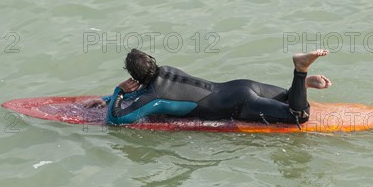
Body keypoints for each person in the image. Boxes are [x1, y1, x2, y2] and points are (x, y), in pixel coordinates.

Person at [84, 48, 331, 127]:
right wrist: (106, 98)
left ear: (134, 77)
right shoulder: (166, 71)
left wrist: (117, 94)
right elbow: (144, 90)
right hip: (240, 86)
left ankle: (301, 71)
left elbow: (117, 121)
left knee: (299, 116)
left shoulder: (153, 97)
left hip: (238, 106)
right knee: (288, 99)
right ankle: (300, 87)